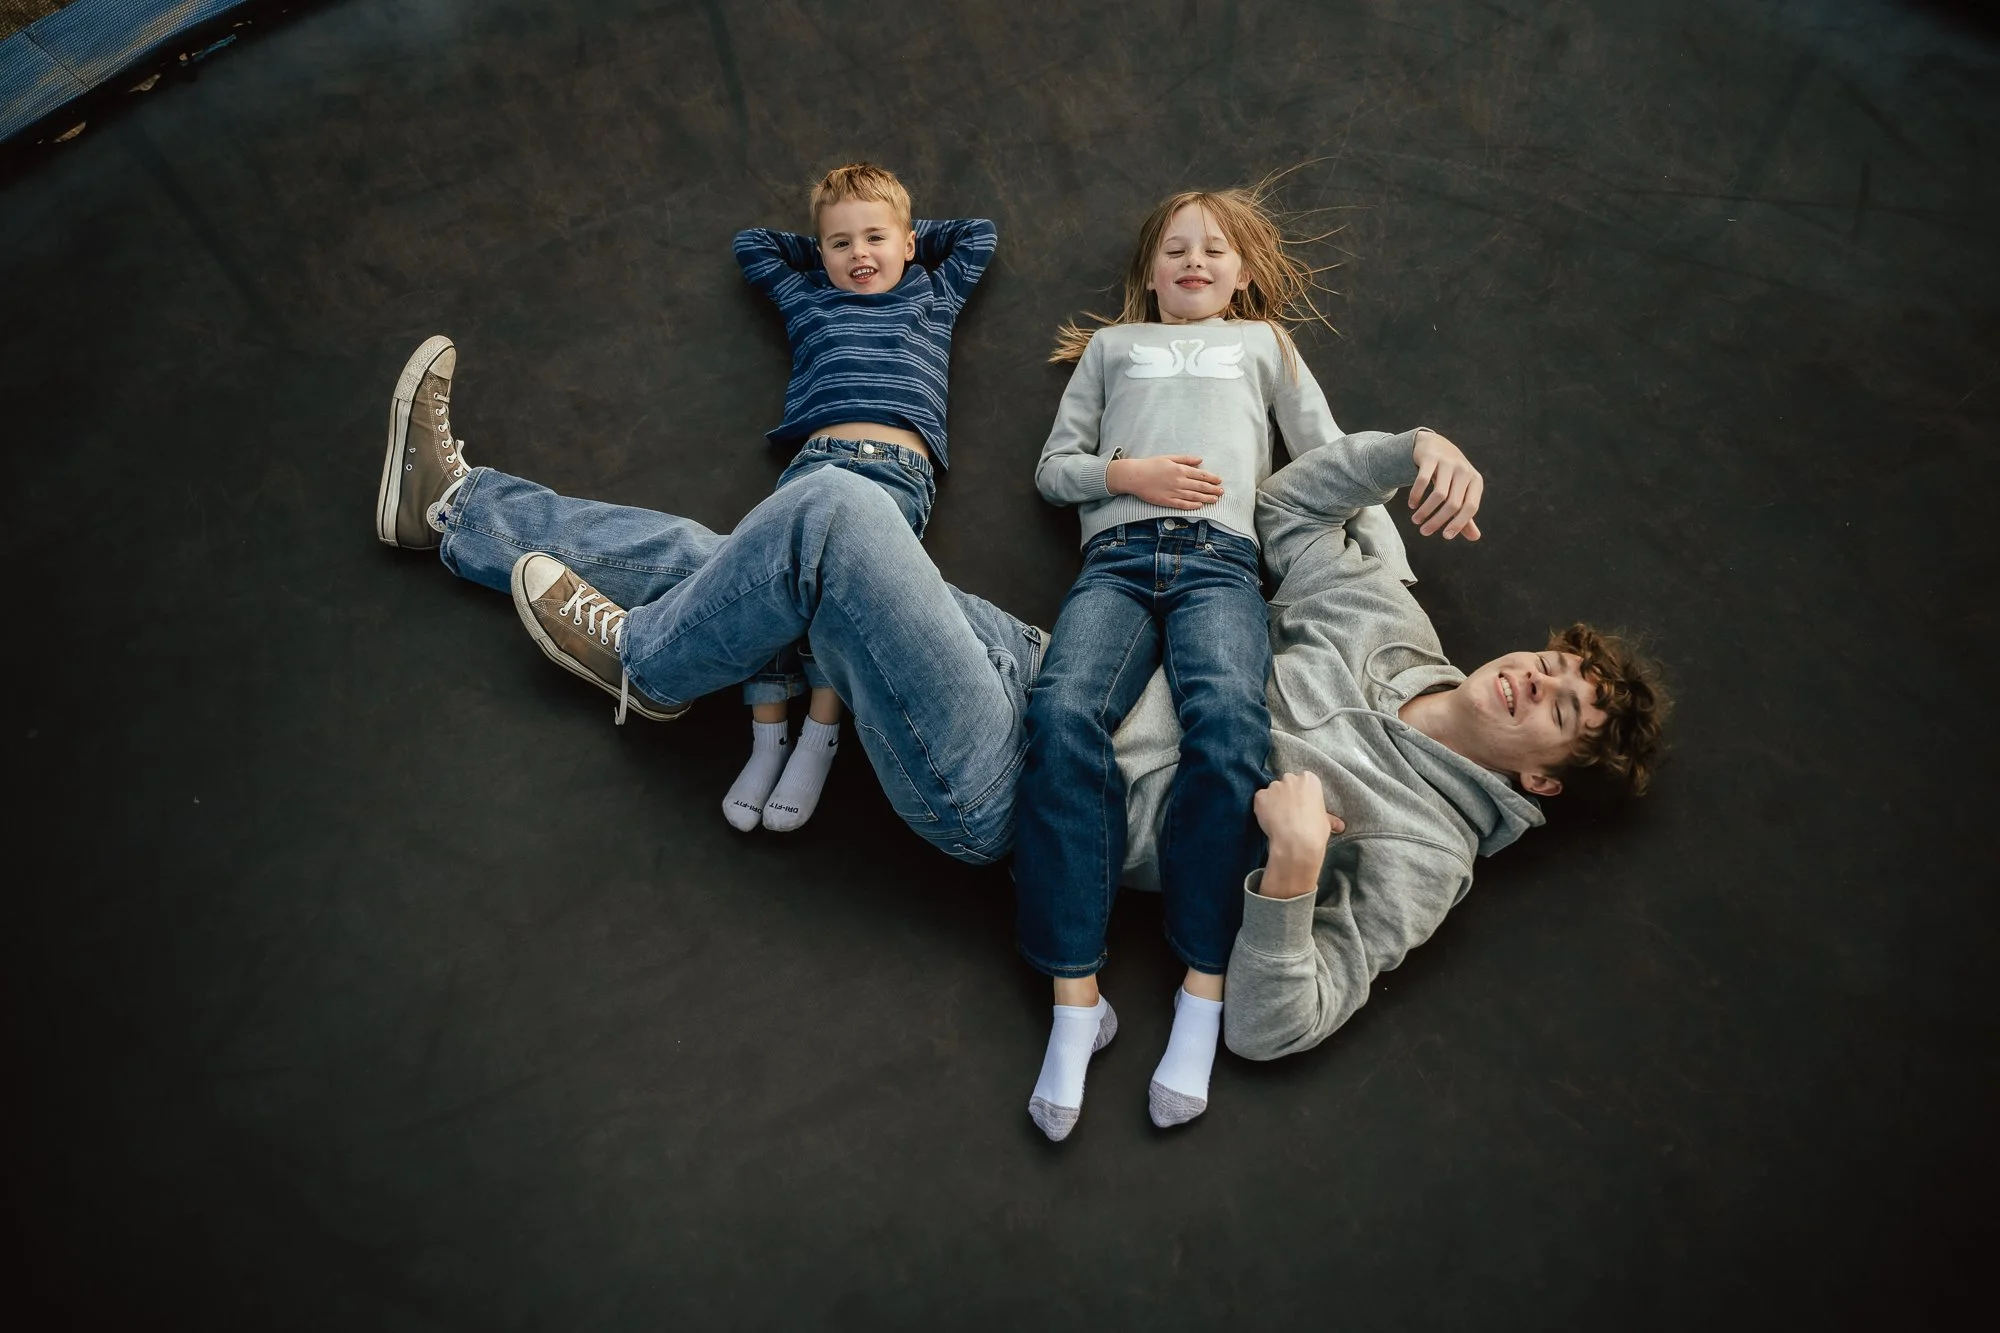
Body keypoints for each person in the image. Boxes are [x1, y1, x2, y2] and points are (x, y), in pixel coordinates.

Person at [373, 340, 1663, 1113]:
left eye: (1560, 707)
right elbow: (1280, 517)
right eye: (1551, 661)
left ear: (1544, 781)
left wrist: (1289, 877)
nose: (1532, 679)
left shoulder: (1430, 851)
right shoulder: (1392, 626)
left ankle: (647, 669)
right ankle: (452, 508)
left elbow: (1282, 1023)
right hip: (1046, 666)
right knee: (756, 559)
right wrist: (1404, 448)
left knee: (829, 516)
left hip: (1018, 785)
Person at [376, 162, 997, 837]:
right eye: (840, 244)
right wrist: (829, 244)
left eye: (877, 239)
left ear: (908, 243)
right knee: (775, 597)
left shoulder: (931, 294)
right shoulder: (812, 297)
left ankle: (814, 739)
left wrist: (895, 231)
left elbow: (978, 237)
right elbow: (755, 246)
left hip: (895, 474)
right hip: (815, 465)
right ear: (820, 253)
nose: (860, 255)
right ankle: (768, 743)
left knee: (800, 604)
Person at [1013, 185, 1408, 1141]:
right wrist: (1126, 474)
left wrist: (1390, 569)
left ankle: (1202, 990)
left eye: (1216, 250)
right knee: (1062, 712)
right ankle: (1076, 1004)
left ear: (1241, 275)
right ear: (1150, 272)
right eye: (1178, 248)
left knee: (1228, 725)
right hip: (1113, 558)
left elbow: (1327, 451)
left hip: (1223, 564)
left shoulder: (1265, 345)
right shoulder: (1115, 349)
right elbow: (1052, 466)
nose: (1196, 260)